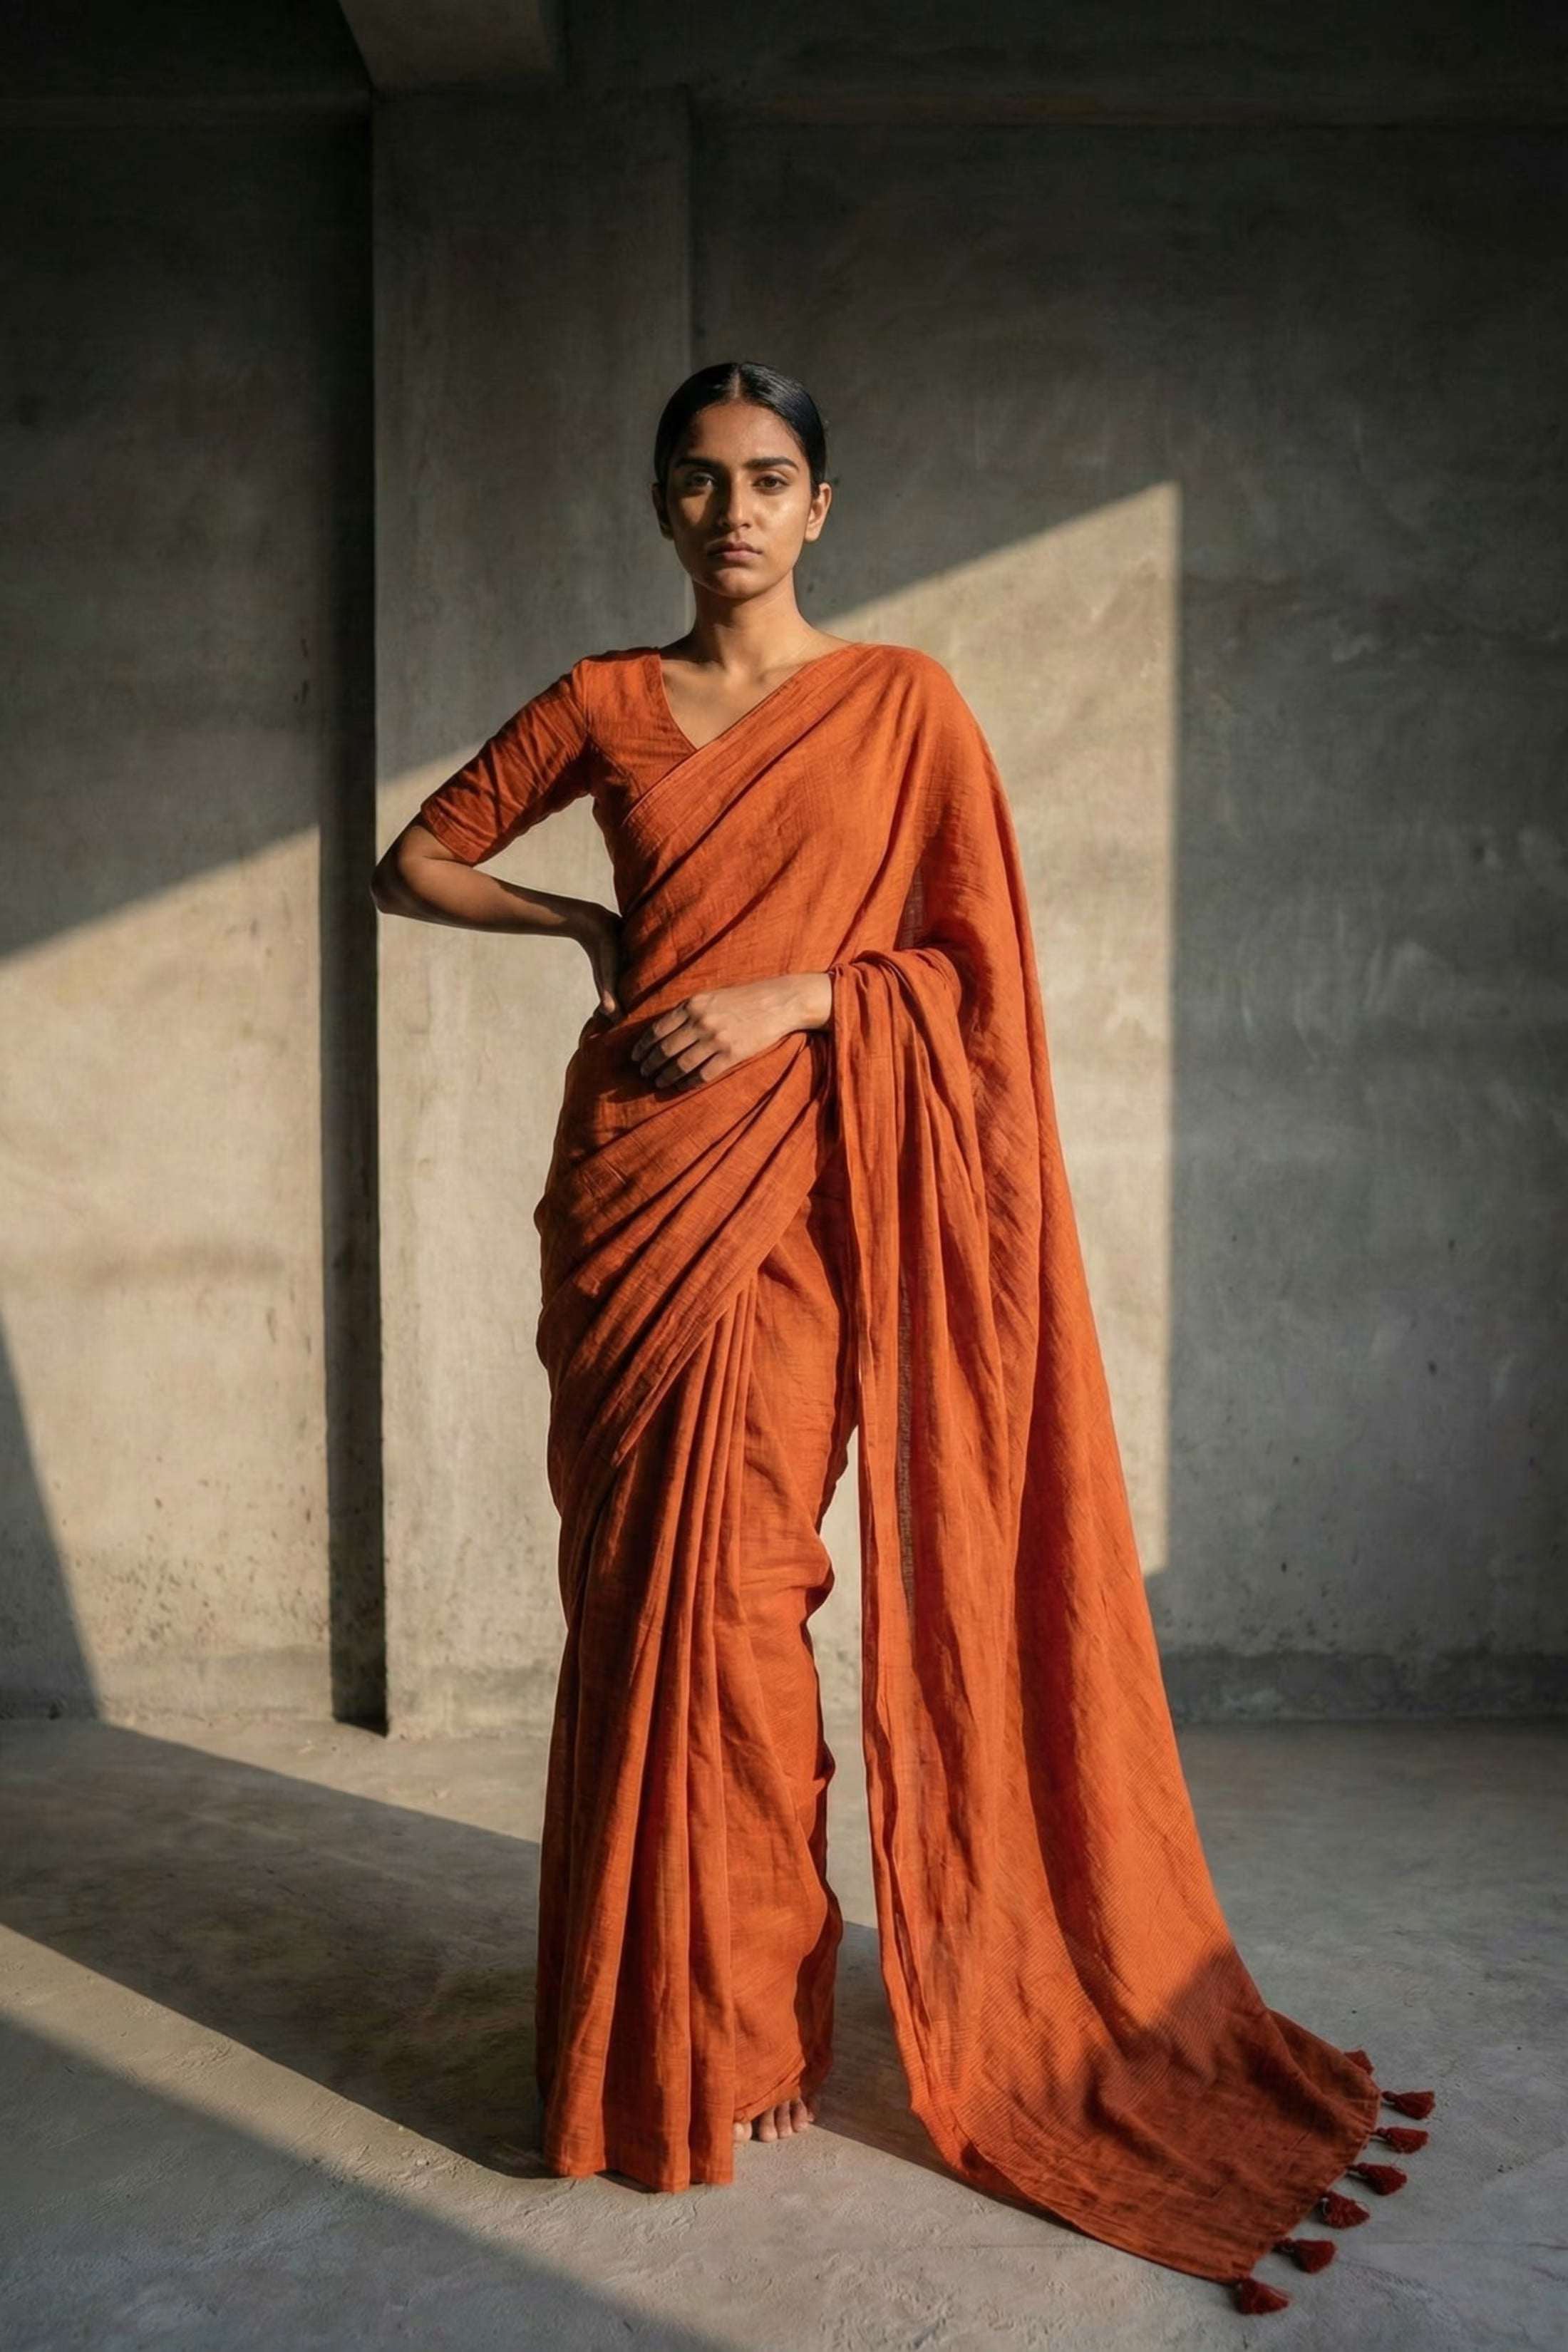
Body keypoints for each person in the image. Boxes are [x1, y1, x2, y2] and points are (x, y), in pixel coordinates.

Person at [371, 362, 1432, 2315]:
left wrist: (790, 994)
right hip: (632, 1193)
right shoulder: (607, 701)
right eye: (698, 484)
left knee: (748, 1596)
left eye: (769, 479)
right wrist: (582, 933)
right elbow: (412, 853)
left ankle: (748, 2026)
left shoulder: (903, 706)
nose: (734, 514)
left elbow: (971, 976)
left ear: (824, 504)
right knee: (634, 1605)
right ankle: (639, 2039)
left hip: (796, 1198)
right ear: (662, 507)